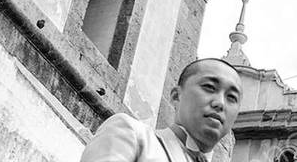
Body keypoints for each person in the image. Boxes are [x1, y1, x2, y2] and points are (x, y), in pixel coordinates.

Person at [80, 57, 242, 162]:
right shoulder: (134, 134)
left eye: (232, 97)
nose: (220, 103)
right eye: (209, 87)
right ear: (176, 96)